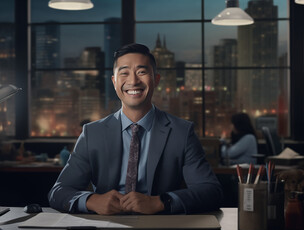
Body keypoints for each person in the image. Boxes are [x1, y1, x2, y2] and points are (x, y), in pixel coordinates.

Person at [48, 43, 223, 215]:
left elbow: (211, 192)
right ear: (114, 81)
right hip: (105, 229)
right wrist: (91, 201)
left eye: (142, 72)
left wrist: (160, 202)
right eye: (124, 73)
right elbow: (58, 192)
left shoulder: (181, 132)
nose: (133, 81)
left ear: (156, 79)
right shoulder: (92, 133)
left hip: (163, 229)